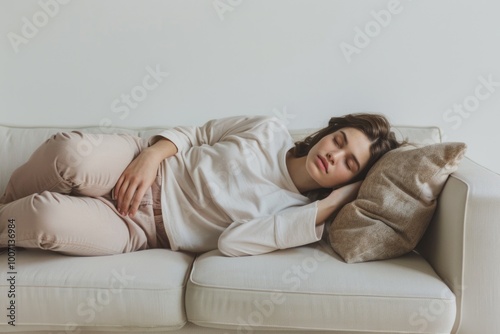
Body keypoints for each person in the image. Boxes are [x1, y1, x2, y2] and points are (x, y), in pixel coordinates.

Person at [0, 113, 401, 257]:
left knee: (45, 216)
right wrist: (151, 155)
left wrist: (333, 204)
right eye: (340, 140)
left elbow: (231, 244)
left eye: (349, 164)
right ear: (328, 132)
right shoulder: (268, 128)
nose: (334, 155)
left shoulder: (298, 220)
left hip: (140, 228)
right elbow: (200, 132)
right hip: (141, 165)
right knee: (70, 153)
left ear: (352, 179)